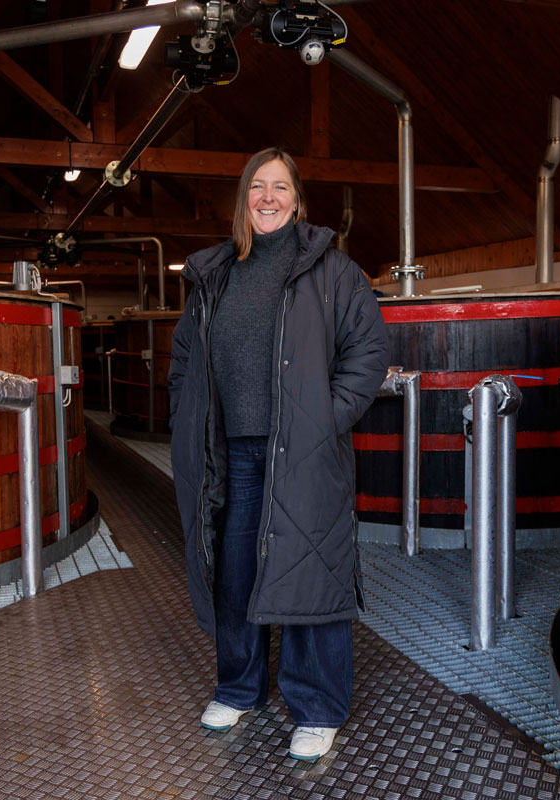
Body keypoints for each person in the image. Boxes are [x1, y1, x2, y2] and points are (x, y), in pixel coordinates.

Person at [167, 147, 389, 761]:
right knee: (233, 570)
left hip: (304, 450)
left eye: (280, 188)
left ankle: (317, 707)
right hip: (231, 453)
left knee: (309, 570)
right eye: (258, 187)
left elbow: (367, 354)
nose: (268, 197)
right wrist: (185, 420)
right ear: (243, 200)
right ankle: (239, 688)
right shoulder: (215, 274)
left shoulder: (334, 273)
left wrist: (324, 419)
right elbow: (185, 360)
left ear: (298, 201)